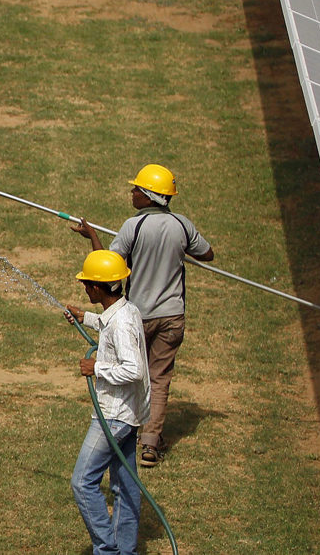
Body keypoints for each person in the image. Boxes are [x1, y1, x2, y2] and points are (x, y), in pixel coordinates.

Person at [71, 163, 212, 467]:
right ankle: (150, 443)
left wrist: (92, 236)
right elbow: (207, 253)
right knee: (158, 378)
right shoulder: (182, 225)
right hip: (173, 316)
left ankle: (128, 431)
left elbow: (108, 265)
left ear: (149, 196)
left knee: (135, 373)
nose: (132, 192)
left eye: (136, 189)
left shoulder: (133, 227)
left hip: (138, 316)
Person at [62, 250, 150, 555]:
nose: (85, 287)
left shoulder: (122, 324)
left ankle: (107, 550)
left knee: (83, 482)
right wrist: (84, 317)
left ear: (99, 288)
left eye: (87, 283)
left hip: (114, 416)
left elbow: (134, 369)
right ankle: (125, 551)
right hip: (130, 413)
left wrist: (96, 367)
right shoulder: (126, 311)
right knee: (124, 486)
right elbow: (110, 326)